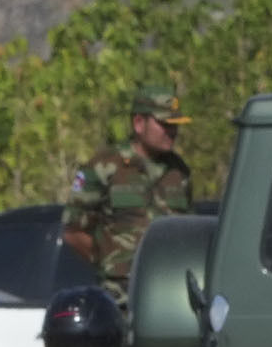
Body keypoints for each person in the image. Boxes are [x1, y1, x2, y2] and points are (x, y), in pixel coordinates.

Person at [59, 88, 199, 300]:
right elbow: (74, 231)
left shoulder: (179, 171)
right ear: (139, 123)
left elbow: (188, 228)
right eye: (164, 125)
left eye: (175, 126)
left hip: (169, 289)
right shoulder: (104, 166)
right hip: (120, 294)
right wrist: (111, 262)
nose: (172, 132)